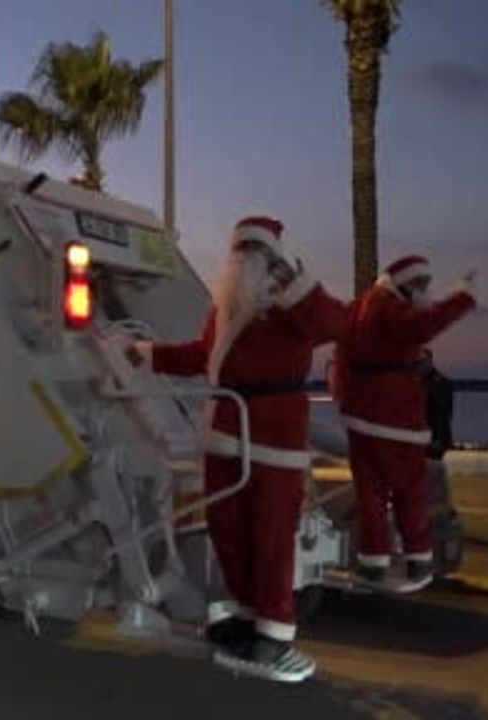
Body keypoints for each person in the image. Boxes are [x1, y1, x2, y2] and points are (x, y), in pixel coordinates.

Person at [126, 215, 347, 683]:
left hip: (274, 438)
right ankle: (248, 617)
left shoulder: (293, 306)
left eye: (257, 250)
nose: (246, 258)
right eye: (240, 249)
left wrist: (295, 281)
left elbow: (334, 324)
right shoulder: (225, 308)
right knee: (229, 532)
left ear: (274, 257)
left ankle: (274, 633)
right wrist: (145, 354)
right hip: (224, 432)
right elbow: (201, 357)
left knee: (272, 538)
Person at [335, 256, 477, 592]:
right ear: (405, 284)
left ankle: (373, 564)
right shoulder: (389, 306)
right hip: (396, 419)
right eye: (422, 284)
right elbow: (424, 325)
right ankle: (418, 559)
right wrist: (462, 297)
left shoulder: (357, 309)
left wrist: (347, 399)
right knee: (409, 492)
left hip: (360, 417)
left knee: (370, 495)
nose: (426, 291)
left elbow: (339, 358)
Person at [418, 349, 454, 461]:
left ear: (430, 361)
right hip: (421, 437)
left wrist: (436, 439)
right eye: (416, 362)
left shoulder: (439, 383)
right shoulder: (419, 381)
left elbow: (442, 413)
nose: (418, 365)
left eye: (421, 361)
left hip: (433, 440)